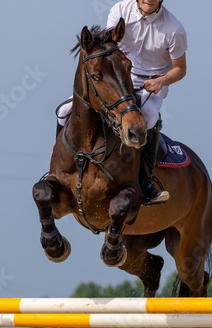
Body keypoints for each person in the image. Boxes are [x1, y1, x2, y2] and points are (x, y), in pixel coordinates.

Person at [57, 0, 187, 205]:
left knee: (150, 118)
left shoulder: (174, 28)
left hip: (151, 81)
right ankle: (60, 168)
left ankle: (146, 183)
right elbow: (108, 46)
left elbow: (180, 69)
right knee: (63, 111)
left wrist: (161, 81)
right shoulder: (119, 10)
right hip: (118, 76)